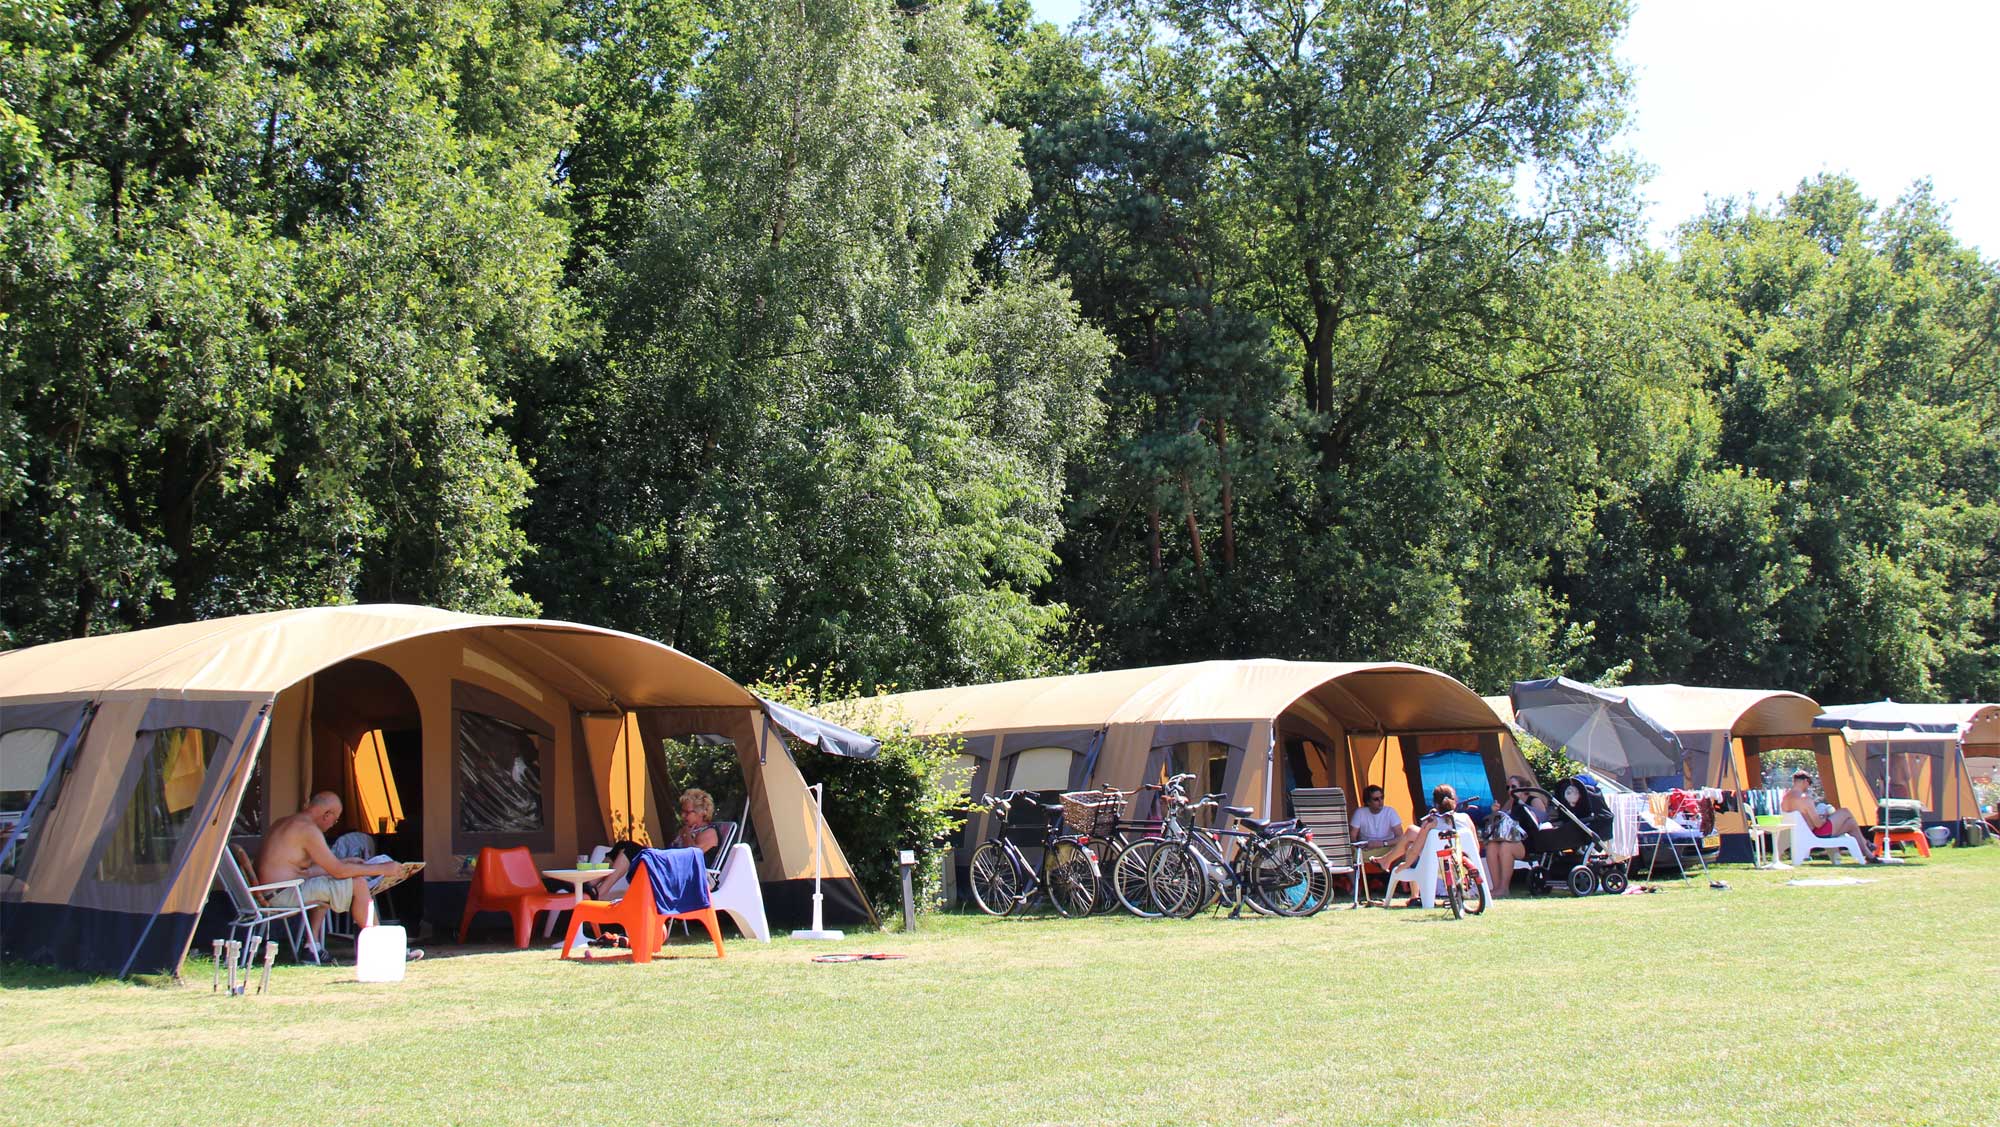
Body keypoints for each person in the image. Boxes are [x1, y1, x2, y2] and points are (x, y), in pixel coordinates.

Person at [255, 792, 403, 949]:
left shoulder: (284, 822)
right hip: (282, 895)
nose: (334, 824)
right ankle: (382, 947)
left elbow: (308, 871)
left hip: (271, 892)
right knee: (358, 884)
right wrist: (383, 868)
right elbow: (338, 871)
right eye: (336, 819)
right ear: (327, 814)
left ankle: (312, 946)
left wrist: (344, 862)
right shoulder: (308, 830)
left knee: (325, 886)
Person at [588, 788, 724, 896]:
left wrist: (686, 835)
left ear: (702, 813)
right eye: (682, 812)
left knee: (630, 849)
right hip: (670, 869)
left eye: (687, 812)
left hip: (685, 878)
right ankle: (590, 884)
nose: (683, 816)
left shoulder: (709, 833)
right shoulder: (687, 829)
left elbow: (691, 856)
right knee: (622, 845)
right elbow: (673, 852)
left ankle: (599, 893)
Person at [1396, 783, 1482, 906]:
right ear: (1455, 800)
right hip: (1464, 865)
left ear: (1435, 803)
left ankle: (1415, 896)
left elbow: (1415, 850)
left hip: (1437, 867)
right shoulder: (1466, 818)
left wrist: (1406, 864)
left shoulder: (1432, 822)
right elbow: (1475, 847)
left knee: (1411, 847)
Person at [1780, 769, 1880, 862]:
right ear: (1805, 781)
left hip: (1799, 833)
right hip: (1816, 833)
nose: (1808, 786)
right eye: (1809, 783)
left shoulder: (1785, 798)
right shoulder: (1805, 799)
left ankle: (1868, 854)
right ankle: (1866, 845)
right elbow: (1818, 824)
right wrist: (1824, 816)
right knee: (1845, 811)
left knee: (1851, 823)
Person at [1482, 776, 1545, 898]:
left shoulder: (1533, 801)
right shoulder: (1509, 803)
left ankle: (1504, 888)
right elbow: (1500, 823)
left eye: (1514, 787)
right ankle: (1496, 887)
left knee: (1506, 846)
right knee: (1491, 845)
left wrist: (1525, 809)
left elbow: (1542, 820)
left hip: (1530, 842)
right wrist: (1495, 812)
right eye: (1508, 787)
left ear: (1523, 788)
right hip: (1511, 839)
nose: (1510, 790)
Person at [1350, 785, 1409, 873]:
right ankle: (1356, 885)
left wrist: (1382, 843)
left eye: (1382, 797)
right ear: (1368, 802)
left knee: (1405, 847)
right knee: (1348, 853)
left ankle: (1395, 882)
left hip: (1387, 849)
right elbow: (1352, 837)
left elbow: (1401, 837)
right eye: (1376, 799)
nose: (1380, 801)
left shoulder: (1390, 812)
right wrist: (1360, 846)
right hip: (1366, 850)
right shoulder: (1360, 812)